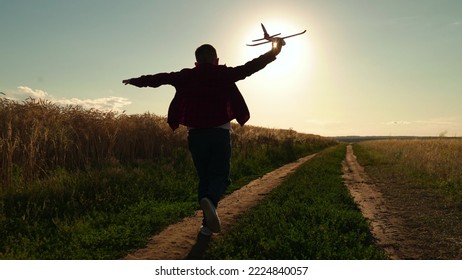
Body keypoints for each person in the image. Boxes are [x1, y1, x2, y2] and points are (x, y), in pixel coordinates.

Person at [123, 39, 284, 236]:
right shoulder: (224, 74)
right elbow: (251, 67)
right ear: (216, 60)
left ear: (196, 62)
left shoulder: (186, 76)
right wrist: (274, 51)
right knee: (220, 176)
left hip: (196, 135)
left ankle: (207, 224)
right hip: (220, 133)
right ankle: (209, 204)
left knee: (205, 177)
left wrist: (135, 81)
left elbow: (159, 78)